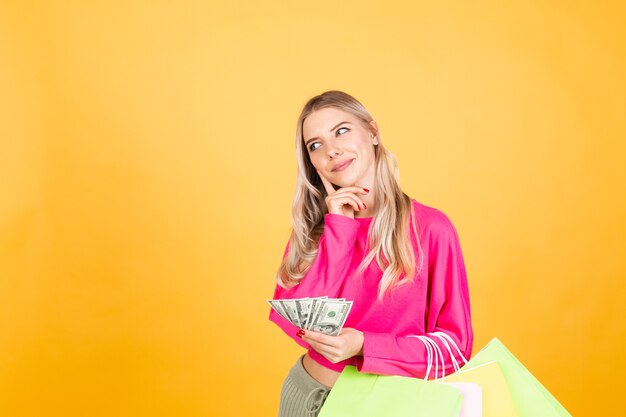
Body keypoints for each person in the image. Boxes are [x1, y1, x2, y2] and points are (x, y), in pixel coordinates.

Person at [268, 90, 473, 417]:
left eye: (342, 130)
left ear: (373, 133)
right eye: (315, 145)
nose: (332, 150)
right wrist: (339, 228)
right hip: (305, 395)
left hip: (385, 408)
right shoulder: (314, 230)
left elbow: (454, 350)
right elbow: (295, 321)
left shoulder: (431, 228)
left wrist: (364, 344)